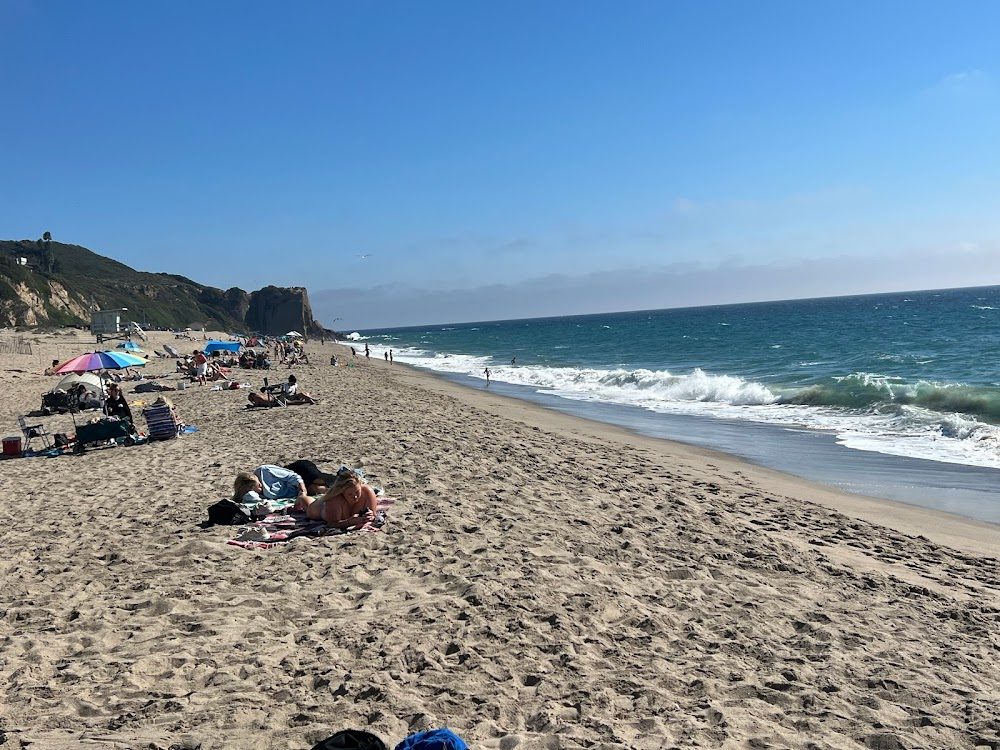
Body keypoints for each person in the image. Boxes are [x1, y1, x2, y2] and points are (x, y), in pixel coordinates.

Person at [299, 468, 378, 529]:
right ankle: (302, 496)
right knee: (309, 507)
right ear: (342, 492)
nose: (355, 497)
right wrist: (349, 522)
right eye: (350, 494)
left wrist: (370, 515)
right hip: (321, 510)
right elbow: (332, 524)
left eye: (357, 492)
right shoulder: (335, 499)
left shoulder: (367, 492)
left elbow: (373, 515)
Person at [233, 465, 308, 507]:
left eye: (254, 485)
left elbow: (294, 477)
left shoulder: (264, 471)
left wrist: (303, 491)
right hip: (294, 493)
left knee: (316, 488)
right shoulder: (256, 496)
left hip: (300, 477)